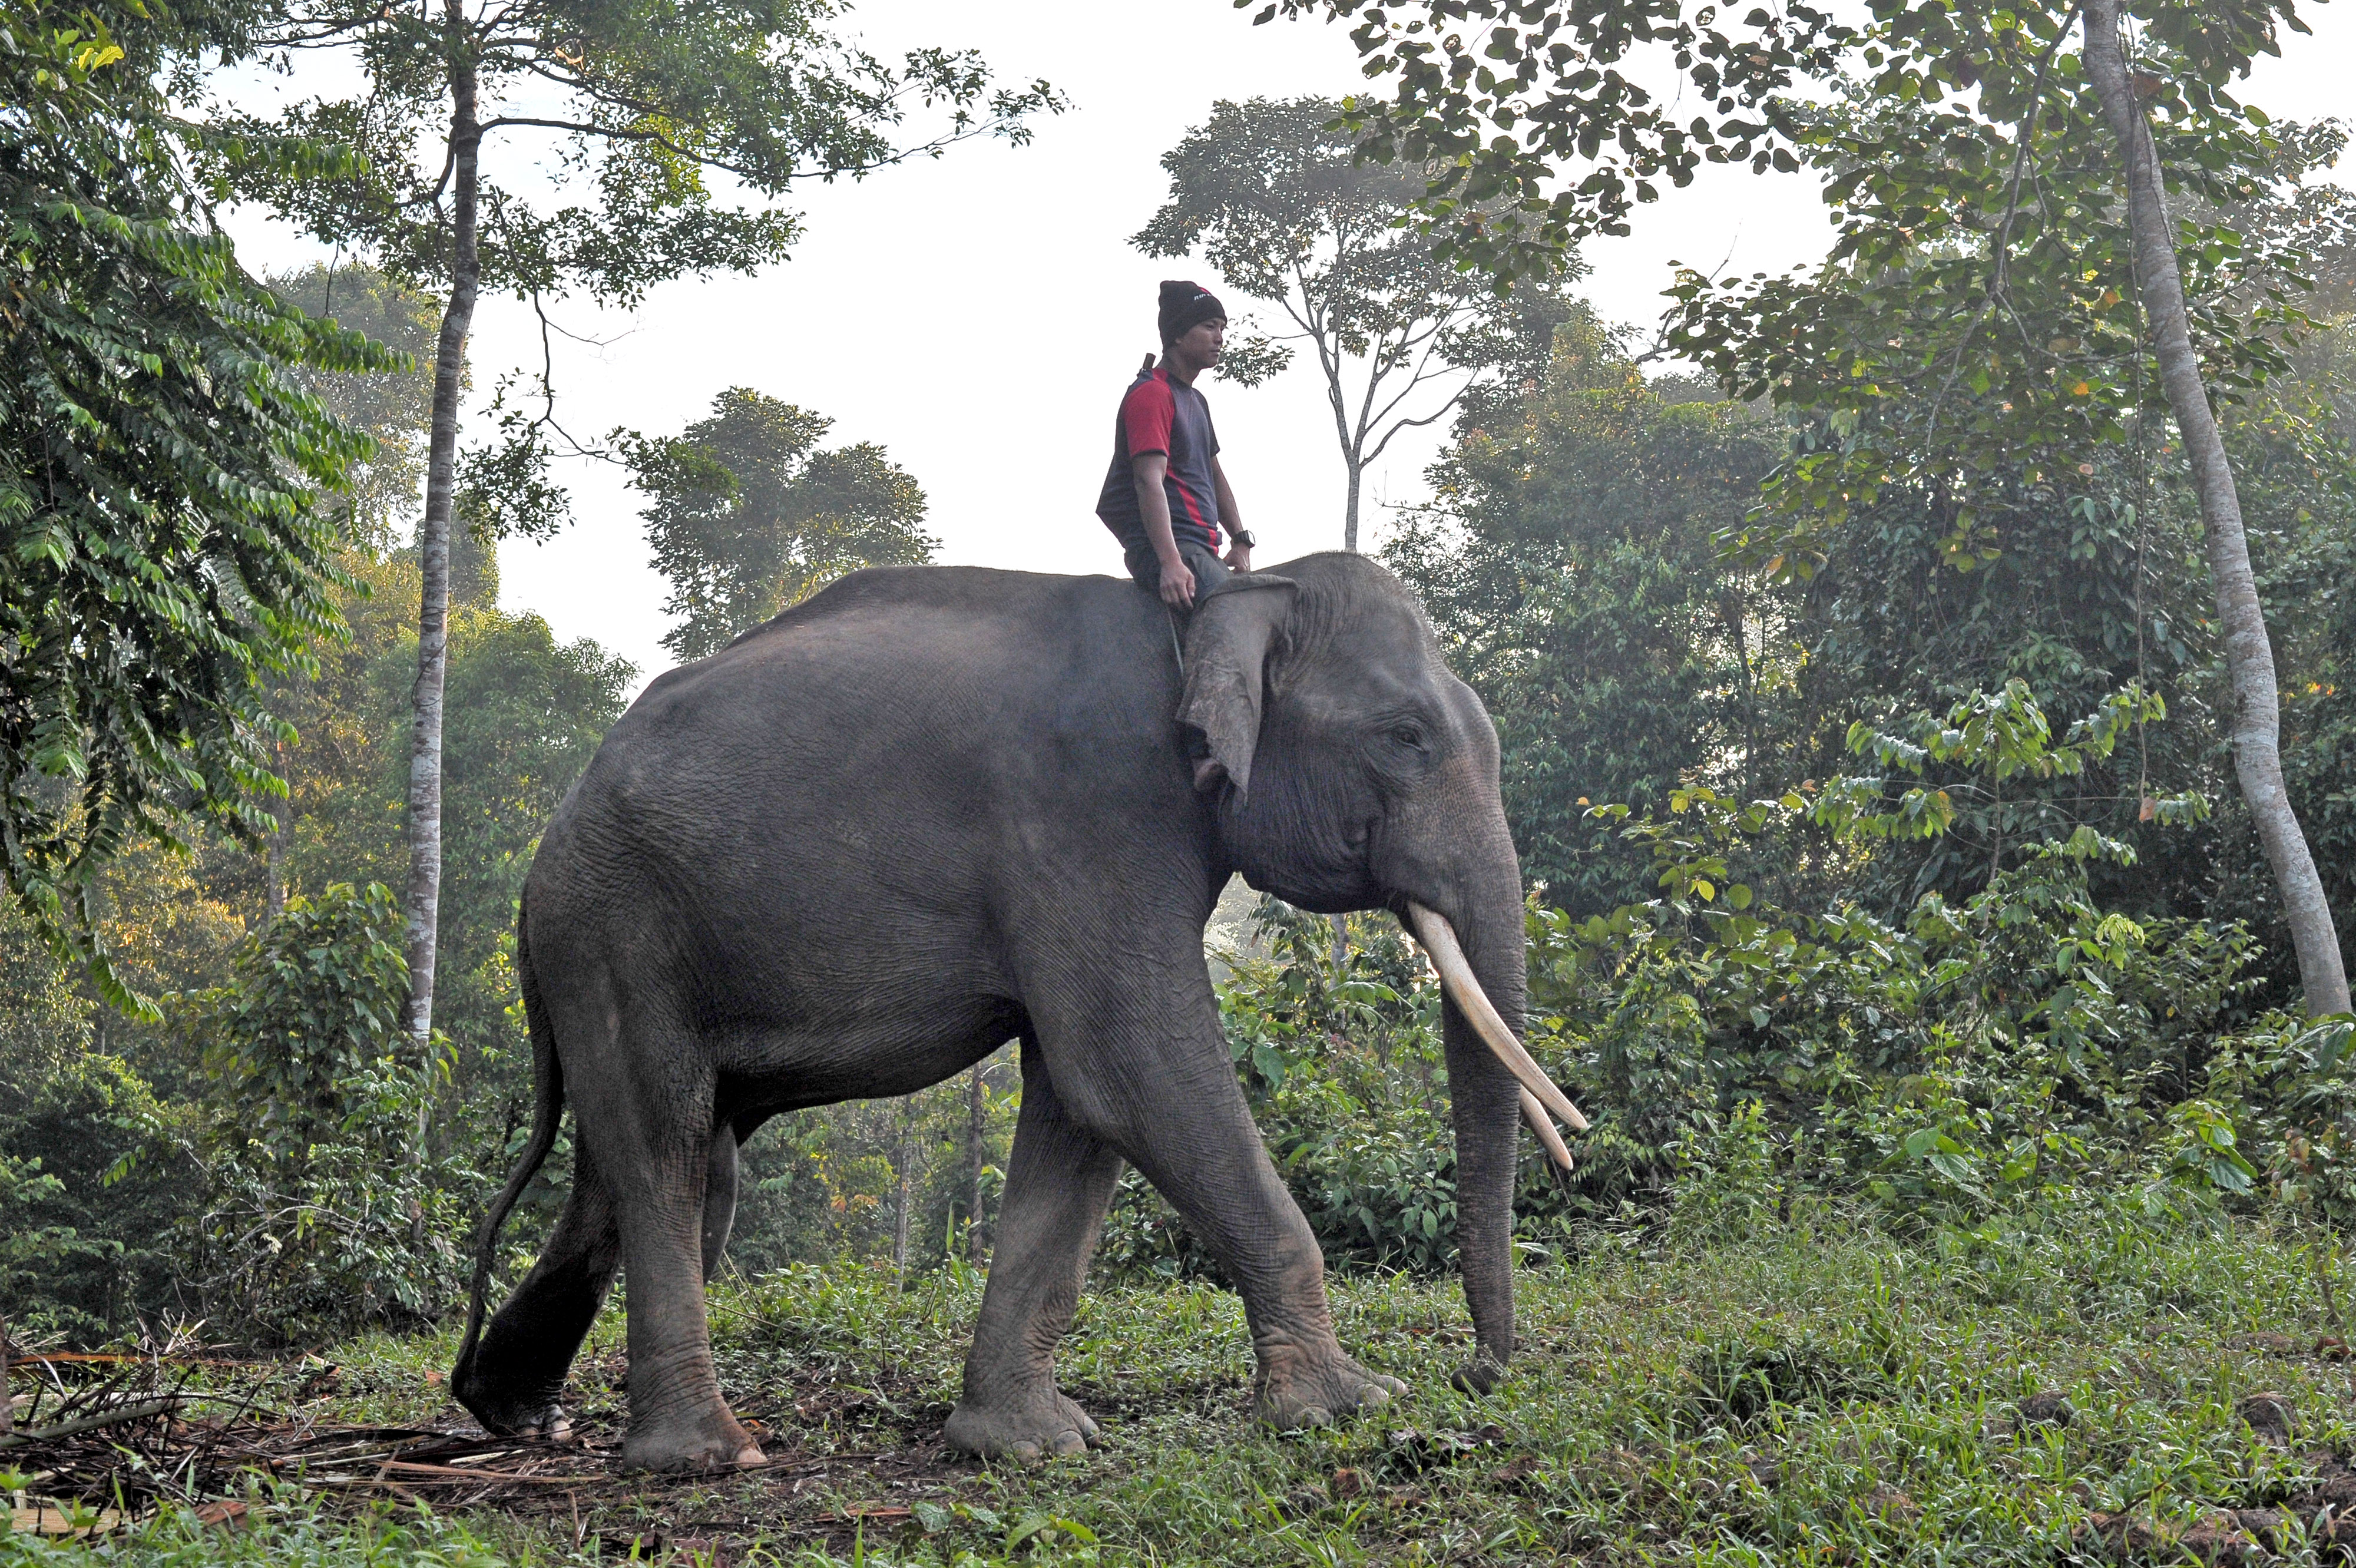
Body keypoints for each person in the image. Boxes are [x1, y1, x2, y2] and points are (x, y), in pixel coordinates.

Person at [1096, 280, 1256, 611]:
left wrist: (1240, 540)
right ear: (1178, 334)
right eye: (1209, 326)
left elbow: (1214, 474)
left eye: (1222, 328)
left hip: (1200, 549)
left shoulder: (1196, 401)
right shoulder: (1152, 394)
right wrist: (1169, 562)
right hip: (1171, 549)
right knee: (1238, 614)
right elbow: (1147, 480)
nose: (1220, 338)